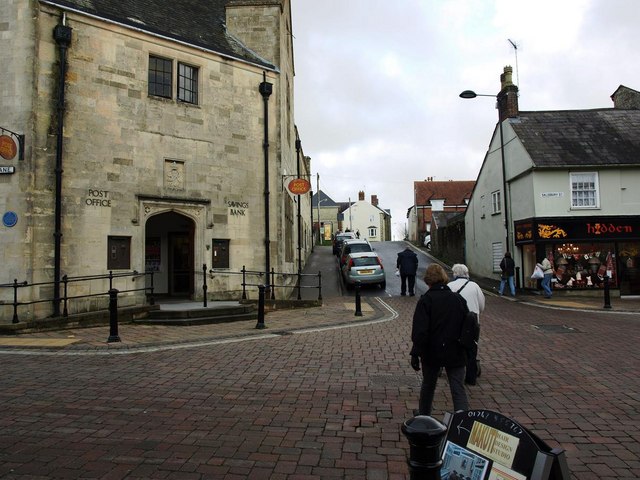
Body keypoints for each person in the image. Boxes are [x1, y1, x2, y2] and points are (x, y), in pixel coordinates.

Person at [410, 264, 470, 415]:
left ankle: (424, 416)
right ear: (444, 278)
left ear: (427, 281)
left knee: (428, 385)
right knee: (457, 387)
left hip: (432, 351)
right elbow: (467, 325)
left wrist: (415, 353)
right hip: (456, 349)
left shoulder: (426, 301)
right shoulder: (458, 299)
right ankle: (462, 420)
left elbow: (420, 331)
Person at [448, 264, 485, 385]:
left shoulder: (450, 286)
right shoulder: (475, 286)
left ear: (454, 274)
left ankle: (454, 373)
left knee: (453, 347)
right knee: (471, 349)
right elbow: (481, 306)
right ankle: (471, 377)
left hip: (455, 324)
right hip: (472, 323)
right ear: (467, 273)